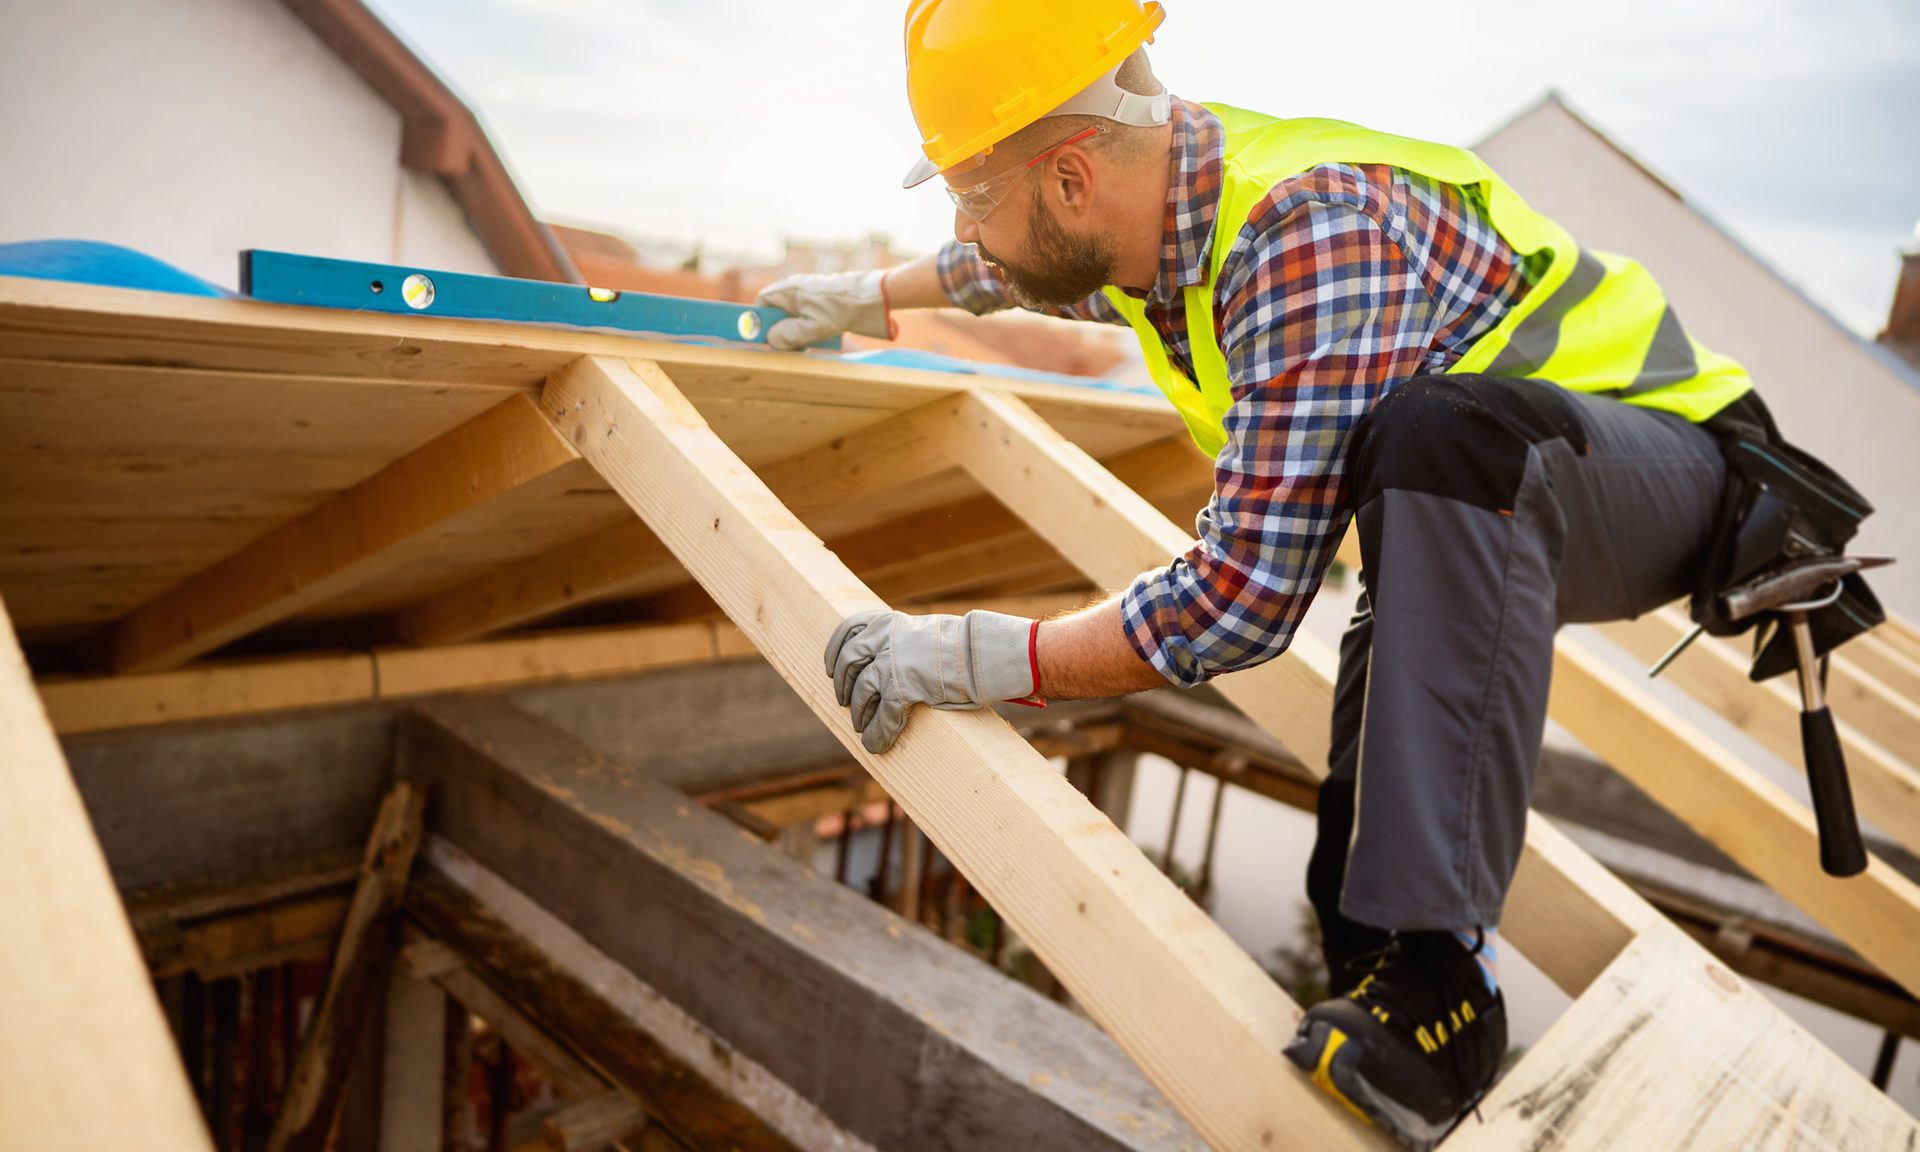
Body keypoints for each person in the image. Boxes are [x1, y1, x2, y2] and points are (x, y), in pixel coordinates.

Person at [768, 2, 1768, 1146]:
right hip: (1523, 494)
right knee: (1393, 640)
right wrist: (873, 295)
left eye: (970, 191)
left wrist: (977, 658)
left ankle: (1447, 985)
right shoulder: (1159, 211)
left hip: (1683, 470)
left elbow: (1239, 602)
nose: (964, 221)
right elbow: (1021, 268)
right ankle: (1381, 976)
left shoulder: (1307, 233)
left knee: (1435, 440)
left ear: (1072, 178)